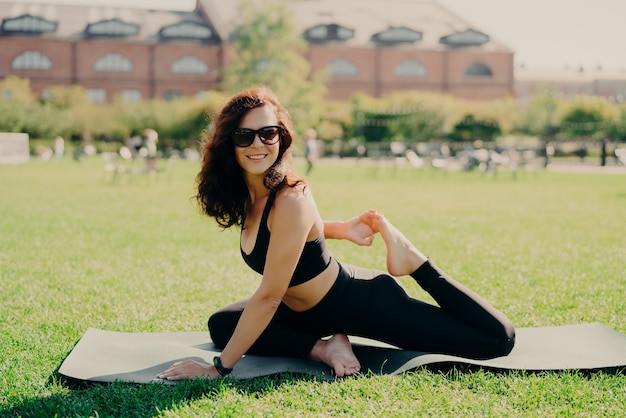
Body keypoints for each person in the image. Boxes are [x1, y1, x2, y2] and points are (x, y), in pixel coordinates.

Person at [158, 86, 515, 381]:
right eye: (244, 135)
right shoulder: (251, 195)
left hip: (362, 303)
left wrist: (217, 369)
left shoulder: (290, 197)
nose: (258, 144)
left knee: (496, 341)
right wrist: (338, 229)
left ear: (281, 137)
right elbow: (285, 238)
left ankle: (414, 261)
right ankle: (325, 347)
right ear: (228, 143)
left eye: (268, 133)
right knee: (223, 325)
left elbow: (268, 297)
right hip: (309, 315)